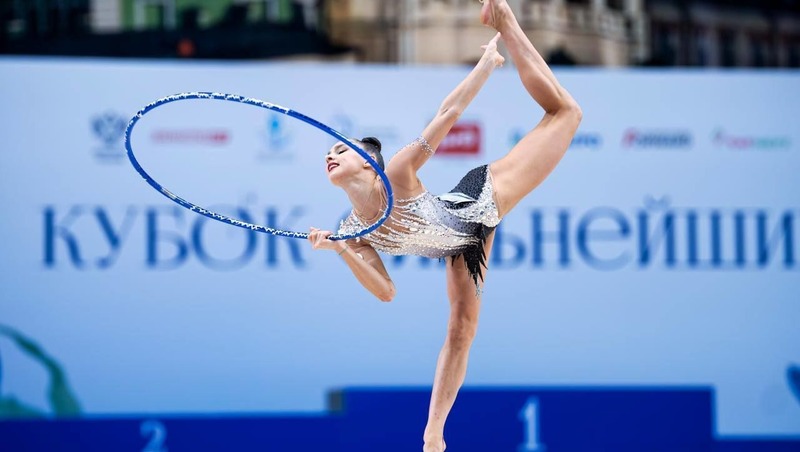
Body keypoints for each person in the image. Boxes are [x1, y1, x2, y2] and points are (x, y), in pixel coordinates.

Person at [308, 0, 582, 450]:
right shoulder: (352, 230)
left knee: (566, 115)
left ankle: (509, 25)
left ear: (369, 165)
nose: (330, 156)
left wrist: (487, 64)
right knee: (460, 331)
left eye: (341, 150)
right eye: (327, 155)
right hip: (460, 249)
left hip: (477, 201)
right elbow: (386, 291)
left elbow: (447, 114)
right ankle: (434, 435)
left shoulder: (396, 172)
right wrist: (340, 249)